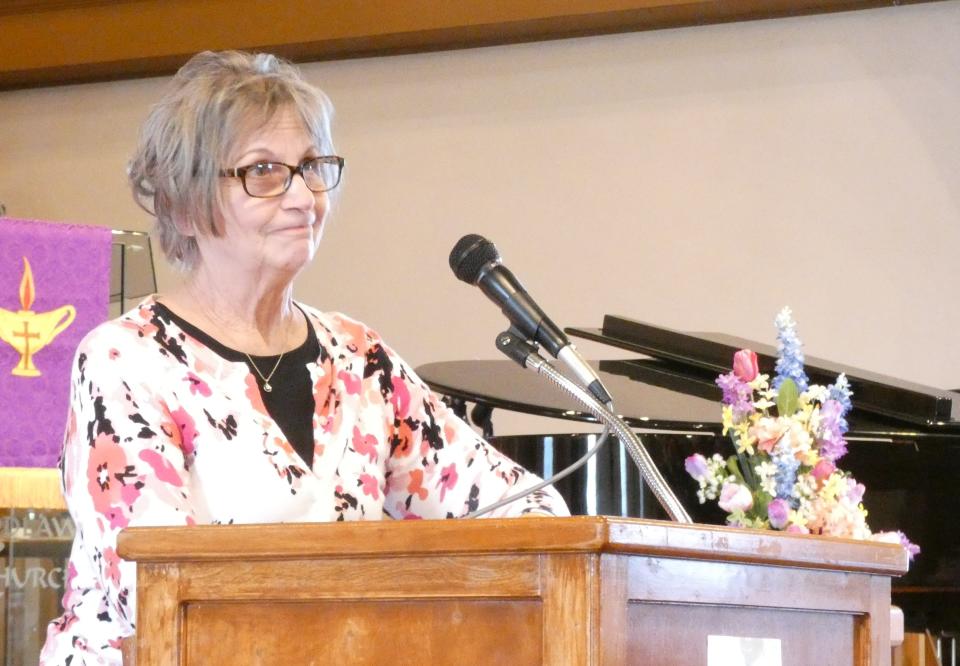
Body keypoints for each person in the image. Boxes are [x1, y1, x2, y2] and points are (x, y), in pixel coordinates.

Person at [40, 50, 568, 665]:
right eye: (263, 171)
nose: (302, 197)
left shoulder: (361, 360)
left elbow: (529, 514)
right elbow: (156, 588)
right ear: (182, 203)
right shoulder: (125, 360)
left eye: (312, 167)